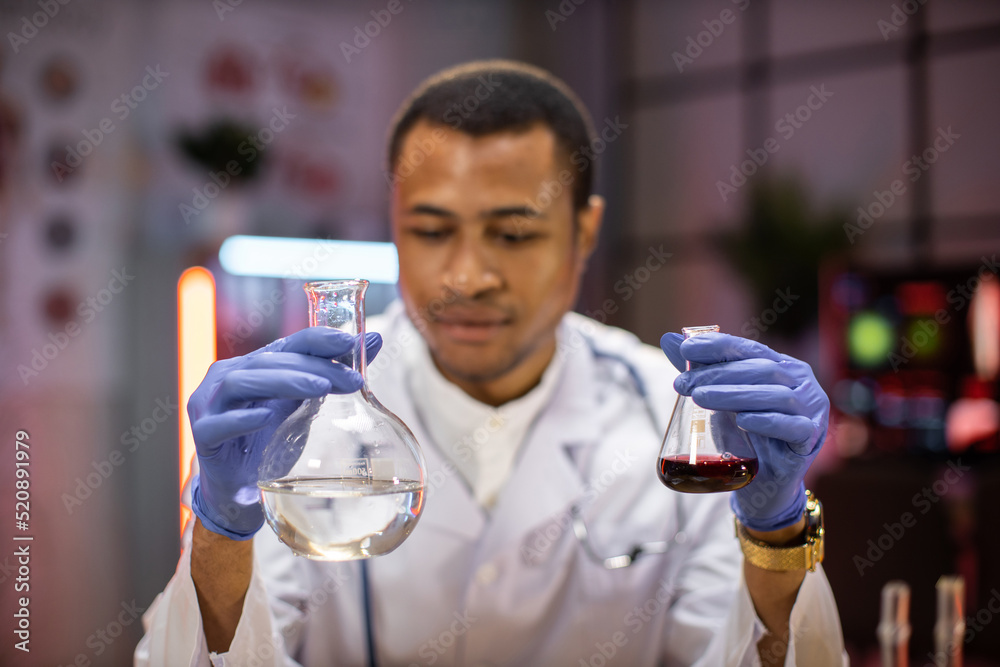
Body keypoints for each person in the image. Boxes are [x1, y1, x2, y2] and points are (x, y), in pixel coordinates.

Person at [136, 60, 846, 666]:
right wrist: (222, 524)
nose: (468, 276)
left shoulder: (682, 417)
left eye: (511, 232)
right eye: (432, 229)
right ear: (394, 221)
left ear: (584, 229)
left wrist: (775, 527)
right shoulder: (302, 425)